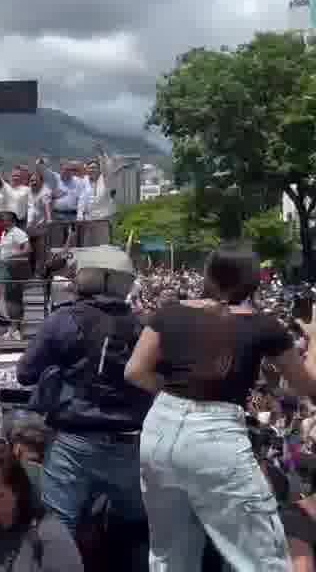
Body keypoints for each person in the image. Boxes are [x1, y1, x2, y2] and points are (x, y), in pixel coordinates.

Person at [125, 245, 316, 571]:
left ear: (209, 275)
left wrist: (178, 393)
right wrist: (313, 336)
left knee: (170, 555)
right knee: (264, 559)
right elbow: (308, 387)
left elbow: (134, 371)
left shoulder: (169, 312)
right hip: (215, 436)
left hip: (159, 428)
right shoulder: (264, 326)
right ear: (253, 281)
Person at [16, 246, 152, 569]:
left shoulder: (63, 320)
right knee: (136, 528)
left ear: (87, 276)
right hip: (131, 444)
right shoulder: (143, 327)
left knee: (56, 529)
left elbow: (25, 373)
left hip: (73, 445)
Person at [0, 211, 31, 321]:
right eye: (1, 220)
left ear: (12, 221)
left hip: (16, 271)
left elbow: (28, 249)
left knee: (14, 299)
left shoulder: (18, 232)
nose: (1, 222)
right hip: (6, 270)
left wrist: (12, 256)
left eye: (3, 220)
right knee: (9, 298)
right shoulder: (4, 233)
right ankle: (13, 327)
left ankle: (16, 329)